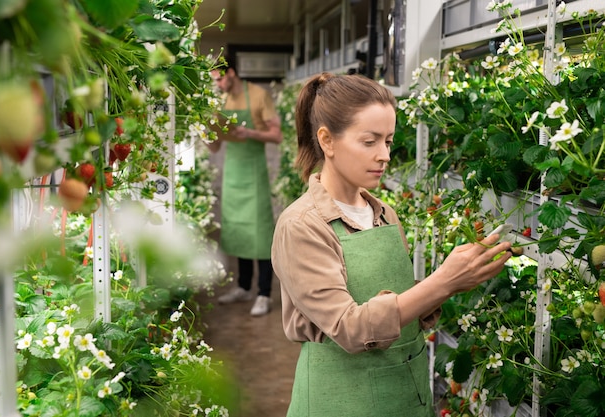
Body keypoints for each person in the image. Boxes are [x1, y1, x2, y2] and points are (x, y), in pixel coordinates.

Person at [271, 72, 512, 416]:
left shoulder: (384, 213)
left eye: (388, 140)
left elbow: (396, 297)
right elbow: (349, 327)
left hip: (403, 394)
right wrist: (443, 280)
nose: (384, 155)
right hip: (340, 400)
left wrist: (459, 278)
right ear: (327, 140)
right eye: (369, 142)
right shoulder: (302, 225)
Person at [208, 57, 283, 316]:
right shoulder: (221, 101)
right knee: (237, 230)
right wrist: (205, 133)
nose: (217, 84)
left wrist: (249, 133)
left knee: (260, 233)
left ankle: (263, 293)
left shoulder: (259, 95)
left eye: (219, 78)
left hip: (254, 171)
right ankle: (243, 287)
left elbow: (277, 135)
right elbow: (216, 145)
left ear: (231, 73)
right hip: (233, 172)